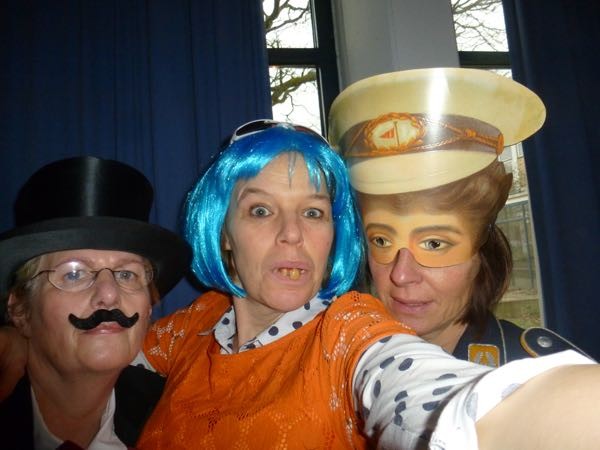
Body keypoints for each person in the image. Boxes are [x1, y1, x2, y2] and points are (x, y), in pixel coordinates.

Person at [131, 121, 597, 449]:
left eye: (313, 212)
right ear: (223, 233)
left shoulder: (346, 330)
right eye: (260, 210)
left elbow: (427, 392)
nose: (292, 233)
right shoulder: (198, 322)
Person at [328, 67, 588, 366]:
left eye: (434, 244)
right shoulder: (340, 371)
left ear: (482, 254)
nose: (401, 275)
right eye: (382, 240)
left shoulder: (540, 377)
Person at [0, 156, 191, 449]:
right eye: (74, 273)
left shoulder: (177, 417)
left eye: (126, 274)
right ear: (20, 310)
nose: (110, 294)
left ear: (149, 307)